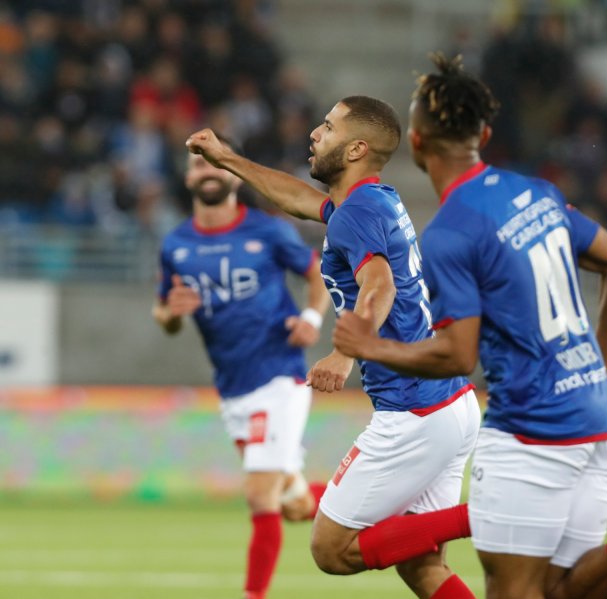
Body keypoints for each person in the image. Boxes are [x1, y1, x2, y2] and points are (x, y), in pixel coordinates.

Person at [332, 54, 607, 599]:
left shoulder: (452, 231)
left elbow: (457, 356)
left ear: (419, 143)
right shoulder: (537, 192)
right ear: (486, 133)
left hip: (530, 432)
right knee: (559, 592)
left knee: (514, 591)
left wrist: (370, 346)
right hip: (597, 418)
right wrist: (597, 371)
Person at [186, 96, 482, 599]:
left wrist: (346, 352)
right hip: (451, 404)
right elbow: (298, 200)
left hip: (414, 411)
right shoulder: (372, 200)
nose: (314, 134)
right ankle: (488, 514)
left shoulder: (355, 214)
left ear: (355, 149)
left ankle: (494, 511)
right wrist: (228, 159)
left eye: (328, 127)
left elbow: (380, 285)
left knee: (331, 549)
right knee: (421, 567)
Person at [152, 138, 330, 599]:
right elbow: (165, 316)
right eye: (198, 164)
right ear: (189, 178)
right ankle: (389, 507)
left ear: (235, 173)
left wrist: (311, 319)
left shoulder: (267, 232)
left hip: (278, 376)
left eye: (215, 162)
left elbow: (317, 275)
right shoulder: (176, 243)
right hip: (233, 389)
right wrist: (172, 313)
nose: (208, 171)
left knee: (258, 495)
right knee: (292, 504)